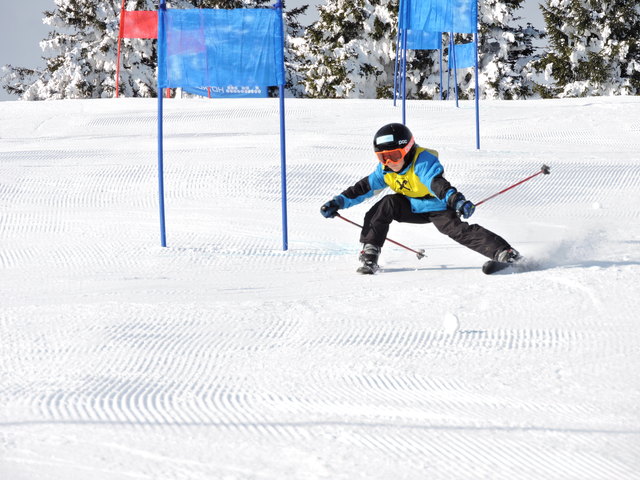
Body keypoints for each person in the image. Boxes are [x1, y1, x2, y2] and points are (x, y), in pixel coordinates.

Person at [320, 123, 520, 274]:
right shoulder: (386, 170)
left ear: (407, 150)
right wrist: (338, 202)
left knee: (456, 230)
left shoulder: (422, 162)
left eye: (394, 155)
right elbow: (363, 188)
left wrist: (456, 200)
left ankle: (504, 252)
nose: (389, 162)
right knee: (386, 204)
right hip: (410, 206)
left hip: (437, 205)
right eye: (382, 157)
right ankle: (370, 252)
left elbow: (437, 184)